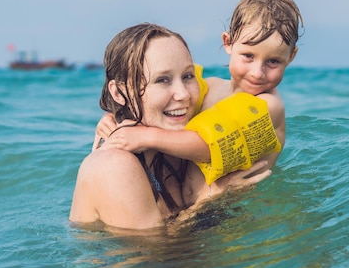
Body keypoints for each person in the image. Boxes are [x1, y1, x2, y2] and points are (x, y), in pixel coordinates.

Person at [69, 23, 271, 232]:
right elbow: (156, 259)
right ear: (119, 93)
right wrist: (212, 199)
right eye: (162, 80)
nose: (183, 94)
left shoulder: (173, 144)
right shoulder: (113, 166)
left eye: (187, 76)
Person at [96, 0, 303, 180]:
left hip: (237, 207)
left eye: (273, 61)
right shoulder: (210, 87)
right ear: (228, 43)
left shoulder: (268, 105)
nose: (258, 72)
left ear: (291, 56)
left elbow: (210, 146)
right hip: (198, 204)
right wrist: (117, 117)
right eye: (248, 56)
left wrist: (145, 136)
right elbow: (162, 105)